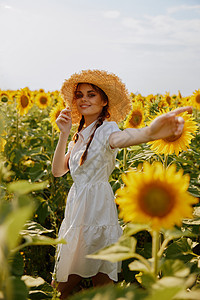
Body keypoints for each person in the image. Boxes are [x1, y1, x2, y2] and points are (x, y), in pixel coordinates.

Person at [51, 69, 192, 299]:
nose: (84, 99)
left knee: (103, 286)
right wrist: (64, 134)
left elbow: (127, 138)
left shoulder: (108, 130)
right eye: (79, 95)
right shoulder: (79, 136)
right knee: (60, 288)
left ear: (104, 100)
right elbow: (58, 171)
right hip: (76, 212)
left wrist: (151, 132)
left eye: (91, 94)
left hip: (98, 212)